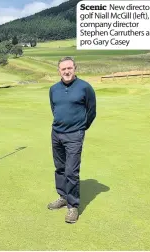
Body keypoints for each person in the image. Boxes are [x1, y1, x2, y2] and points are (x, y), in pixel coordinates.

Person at [48, 56, 96, 223]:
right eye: (63, 69)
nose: (66, 71)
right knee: (59, 168)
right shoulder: (53, 89)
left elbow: (91, 111)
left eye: (69, 68)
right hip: (56, 133)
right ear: (59, 71)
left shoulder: (85, 87)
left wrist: (80, 128)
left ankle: (72, 206)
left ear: (75, 69)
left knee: (71, 171)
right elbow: (54, 108)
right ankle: (63, 197)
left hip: (75, 135)